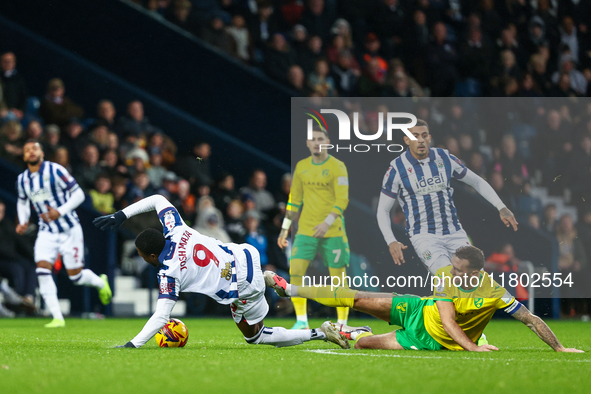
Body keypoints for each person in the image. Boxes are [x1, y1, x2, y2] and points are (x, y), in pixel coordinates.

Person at [92, 194, 349, 349]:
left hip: (243, 286)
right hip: (246, 254)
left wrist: (132, 344)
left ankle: (320, 332)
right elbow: (158, 200)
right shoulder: (175, 227)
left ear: (150, 256)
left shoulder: (169, 273)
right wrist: (121, 215)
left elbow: (161, 317)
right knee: (254, 283)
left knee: (255, 336)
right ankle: (269, 278)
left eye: (141, 255)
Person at [265, 246, 583, 353]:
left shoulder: (495, 293)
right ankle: (288, 288)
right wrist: (473, 347)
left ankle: (354, 333)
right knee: (354, 296)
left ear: (476, 273)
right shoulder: (447, 277)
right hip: (419, 308)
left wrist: (558, 347)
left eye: (459, 269)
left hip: (427, 339)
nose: (451, 271)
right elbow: (446, 316)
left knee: (362, 347)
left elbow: (530, 319)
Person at [377, 119, 518, 275]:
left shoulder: (443, 158)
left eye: (424, 135)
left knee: (476, 279)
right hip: (425, 236)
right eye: (415, 135)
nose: (420, 140)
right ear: (406, 140)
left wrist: (501, 206)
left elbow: (476, 181)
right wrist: (391, 241)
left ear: (429, 138)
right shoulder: (397, 168)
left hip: (454, 232)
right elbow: (382, 209)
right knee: (447, 278)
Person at [16, 141, 112, 327]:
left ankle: (101, 282)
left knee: (75, 276)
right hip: (46, 231)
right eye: (27, 149)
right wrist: (23, 220)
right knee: (43, 271)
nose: (31, 152)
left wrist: (59, 211)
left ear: (42, 152)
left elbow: (79, 195)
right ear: (24, 156)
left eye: (34, 148)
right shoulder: (23, 180)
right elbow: (22, 202)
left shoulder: (56, 171)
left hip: (69, 229)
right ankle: (57, 317)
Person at [277, 128, 350, 329]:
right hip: (306, 231)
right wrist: (285, 229)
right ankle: (301, 321)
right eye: (313, 139)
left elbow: (342, 199)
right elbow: (294, 200)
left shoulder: (338, 166)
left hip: (333, 231)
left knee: (338, 278)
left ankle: (342, 323)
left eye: (321, 139)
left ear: (328, 141)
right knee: (296, 272)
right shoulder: (301, 167)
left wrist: (326, 222)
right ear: (307, 143)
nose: (317, 142)